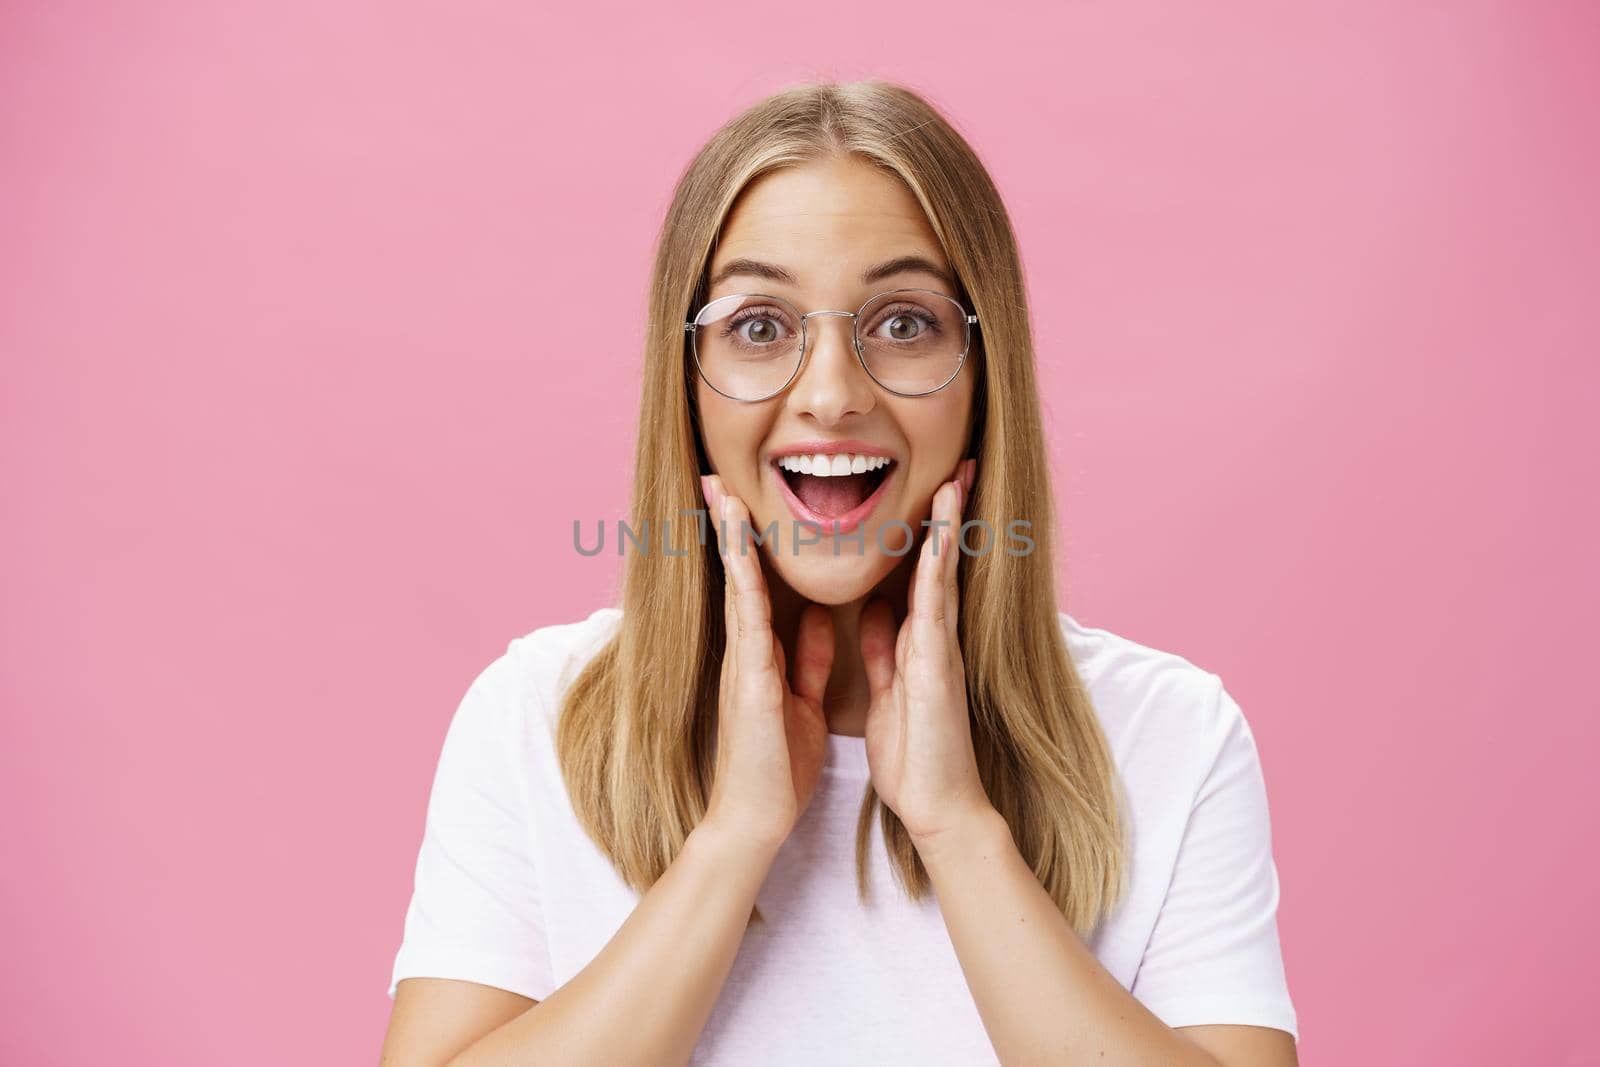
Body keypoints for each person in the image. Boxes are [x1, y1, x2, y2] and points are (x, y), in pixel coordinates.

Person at [379, 80, 1299, 1067]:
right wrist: (732, 840)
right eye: (759, 325)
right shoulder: (535, 717)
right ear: (686, 384)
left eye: (903, 323)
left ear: (985, 374)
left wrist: (959, 829)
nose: (830, 395)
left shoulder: (1174, 735)